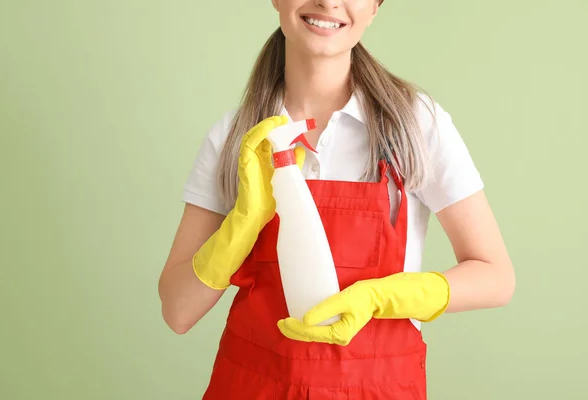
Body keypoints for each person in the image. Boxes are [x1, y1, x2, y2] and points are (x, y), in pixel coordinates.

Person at [158, 0, 516, 398]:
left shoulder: (414, 125)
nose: (328, 1)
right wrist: (243, 223)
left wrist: (382, 297)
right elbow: (178, 312)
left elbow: (496, 277)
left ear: (376, 7)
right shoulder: (238, 139)